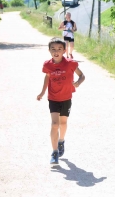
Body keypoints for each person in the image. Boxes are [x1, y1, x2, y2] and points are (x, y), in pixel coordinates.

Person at [37, 37, 85, 165]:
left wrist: (78, 83)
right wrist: (42, 92)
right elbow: (47, 78)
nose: (56, 51)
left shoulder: (70, 63)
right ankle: (54, 151)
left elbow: (82, 75)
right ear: (49, 51)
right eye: (53, 49)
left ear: (64, 50)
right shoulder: (47, 65)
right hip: (53, 98)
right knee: (54, 124)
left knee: (63, 123)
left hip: (66, 98)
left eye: (59, 49)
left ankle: (61, 141)